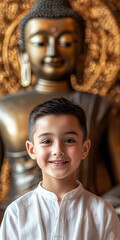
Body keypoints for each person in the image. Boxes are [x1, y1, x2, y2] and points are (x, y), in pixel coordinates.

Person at [0, 0, 120, 210]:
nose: (53, 52)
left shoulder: (103, 108)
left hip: (83, 213)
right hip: (20, 214)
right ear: (22, 52)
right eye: (40, 43)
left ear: (83, 51)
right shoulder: (5, 108)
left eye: (66, 42)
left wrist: (97, 208)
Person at [0, 97, 120, 239]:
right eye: (47, 141)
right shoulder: (17, 213)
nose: (58, 150)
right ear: (31, 150)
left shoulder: (102, 212)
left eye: (69, 140)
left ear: (85, 148)